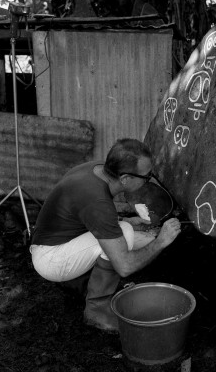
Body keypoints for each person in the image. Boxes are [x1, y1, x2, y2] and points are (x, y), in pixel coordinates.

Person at [29, 138, 182, 332]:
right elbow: (125, 266)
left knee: (131, 233)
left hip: (57, 239)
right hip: (50, 259)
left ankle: (81, 284)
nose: (149, 180)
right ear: (125, 179)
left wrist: (126, 220)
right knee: (126, 235)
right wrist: (161, 241)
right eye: (146, 176)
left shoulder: (97, 170)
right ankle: (97, 310)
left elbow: (90, 215)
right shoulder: (98, 203)